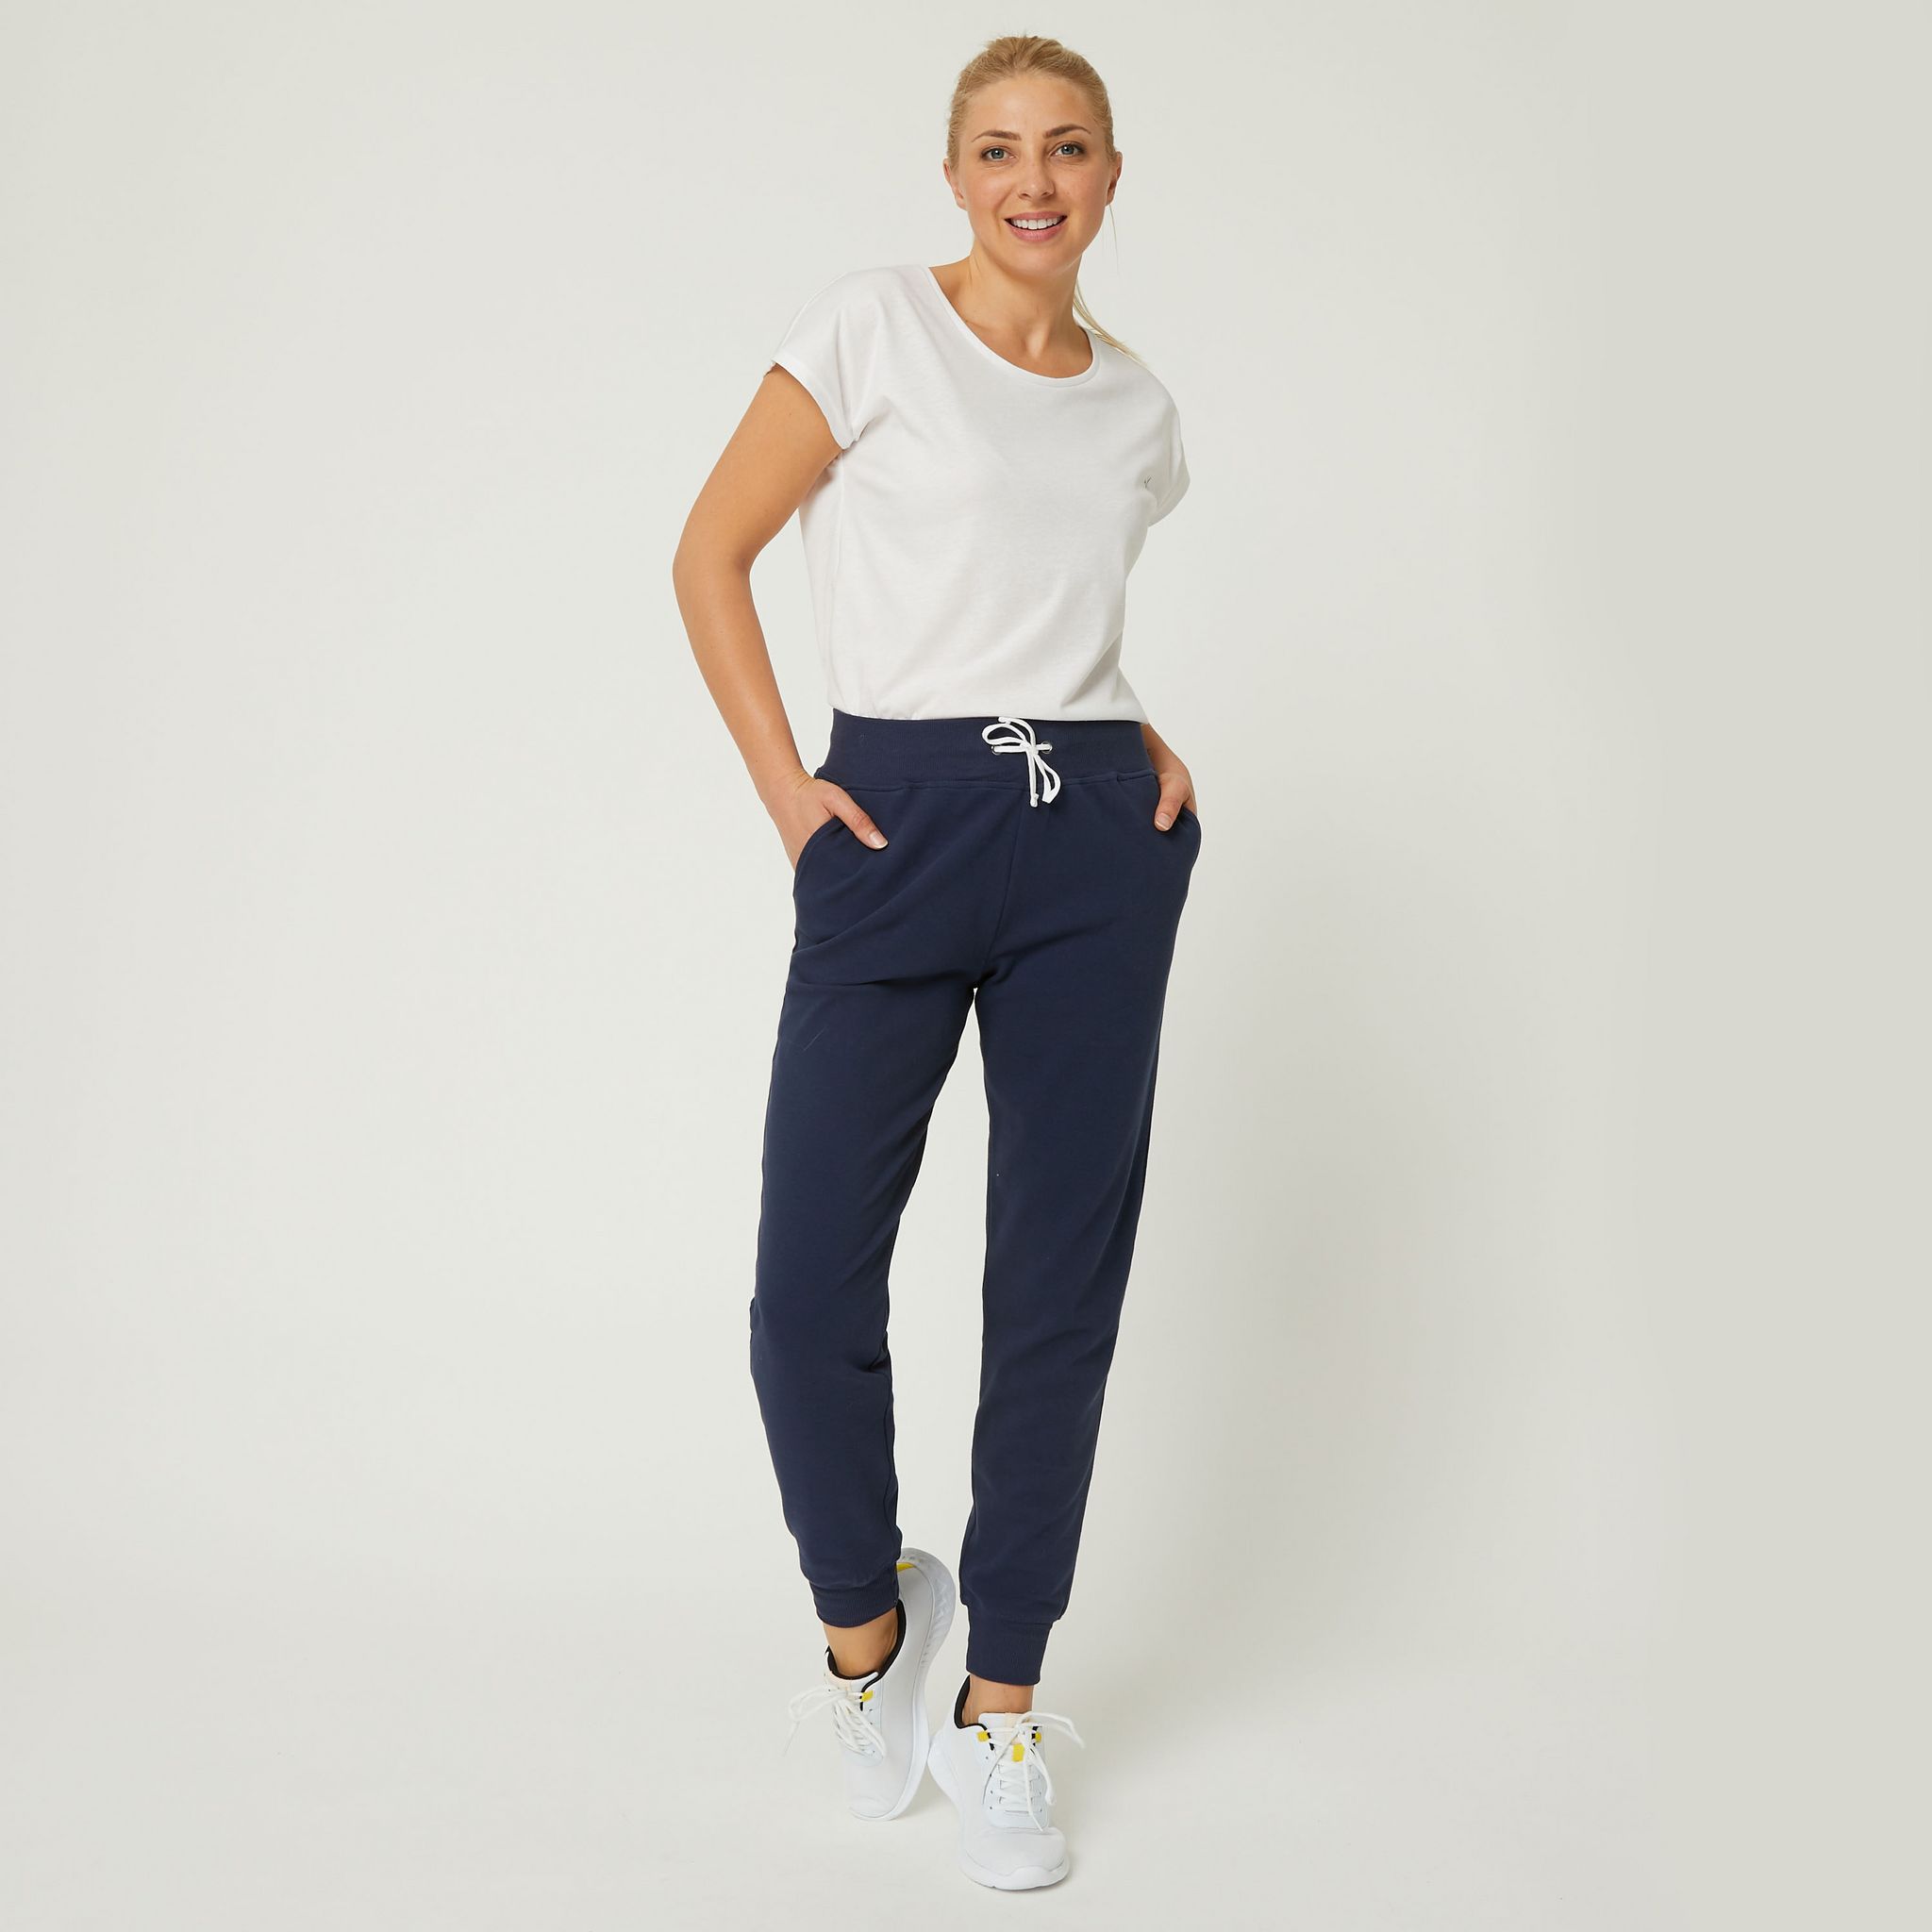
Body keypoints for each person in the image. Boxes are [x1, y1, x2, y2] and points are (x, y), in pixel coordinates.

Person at [671, 34, 1201, 1890]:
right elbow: (710, 554)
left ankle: (1003, 1701)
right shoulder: (872, 328)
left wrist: (1136, 742)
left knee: (1057, 1287)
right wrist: (791, 798)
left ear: (1111, 174)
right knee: (805, 1284)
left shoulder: (1136, 408)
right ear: (956, 173)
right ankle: (867, 1628)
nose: (1032, 179)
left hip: (1093, 850)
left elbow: (1055, 620)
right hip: (889, 830)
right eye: (997, 150)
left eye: (1067, 148)